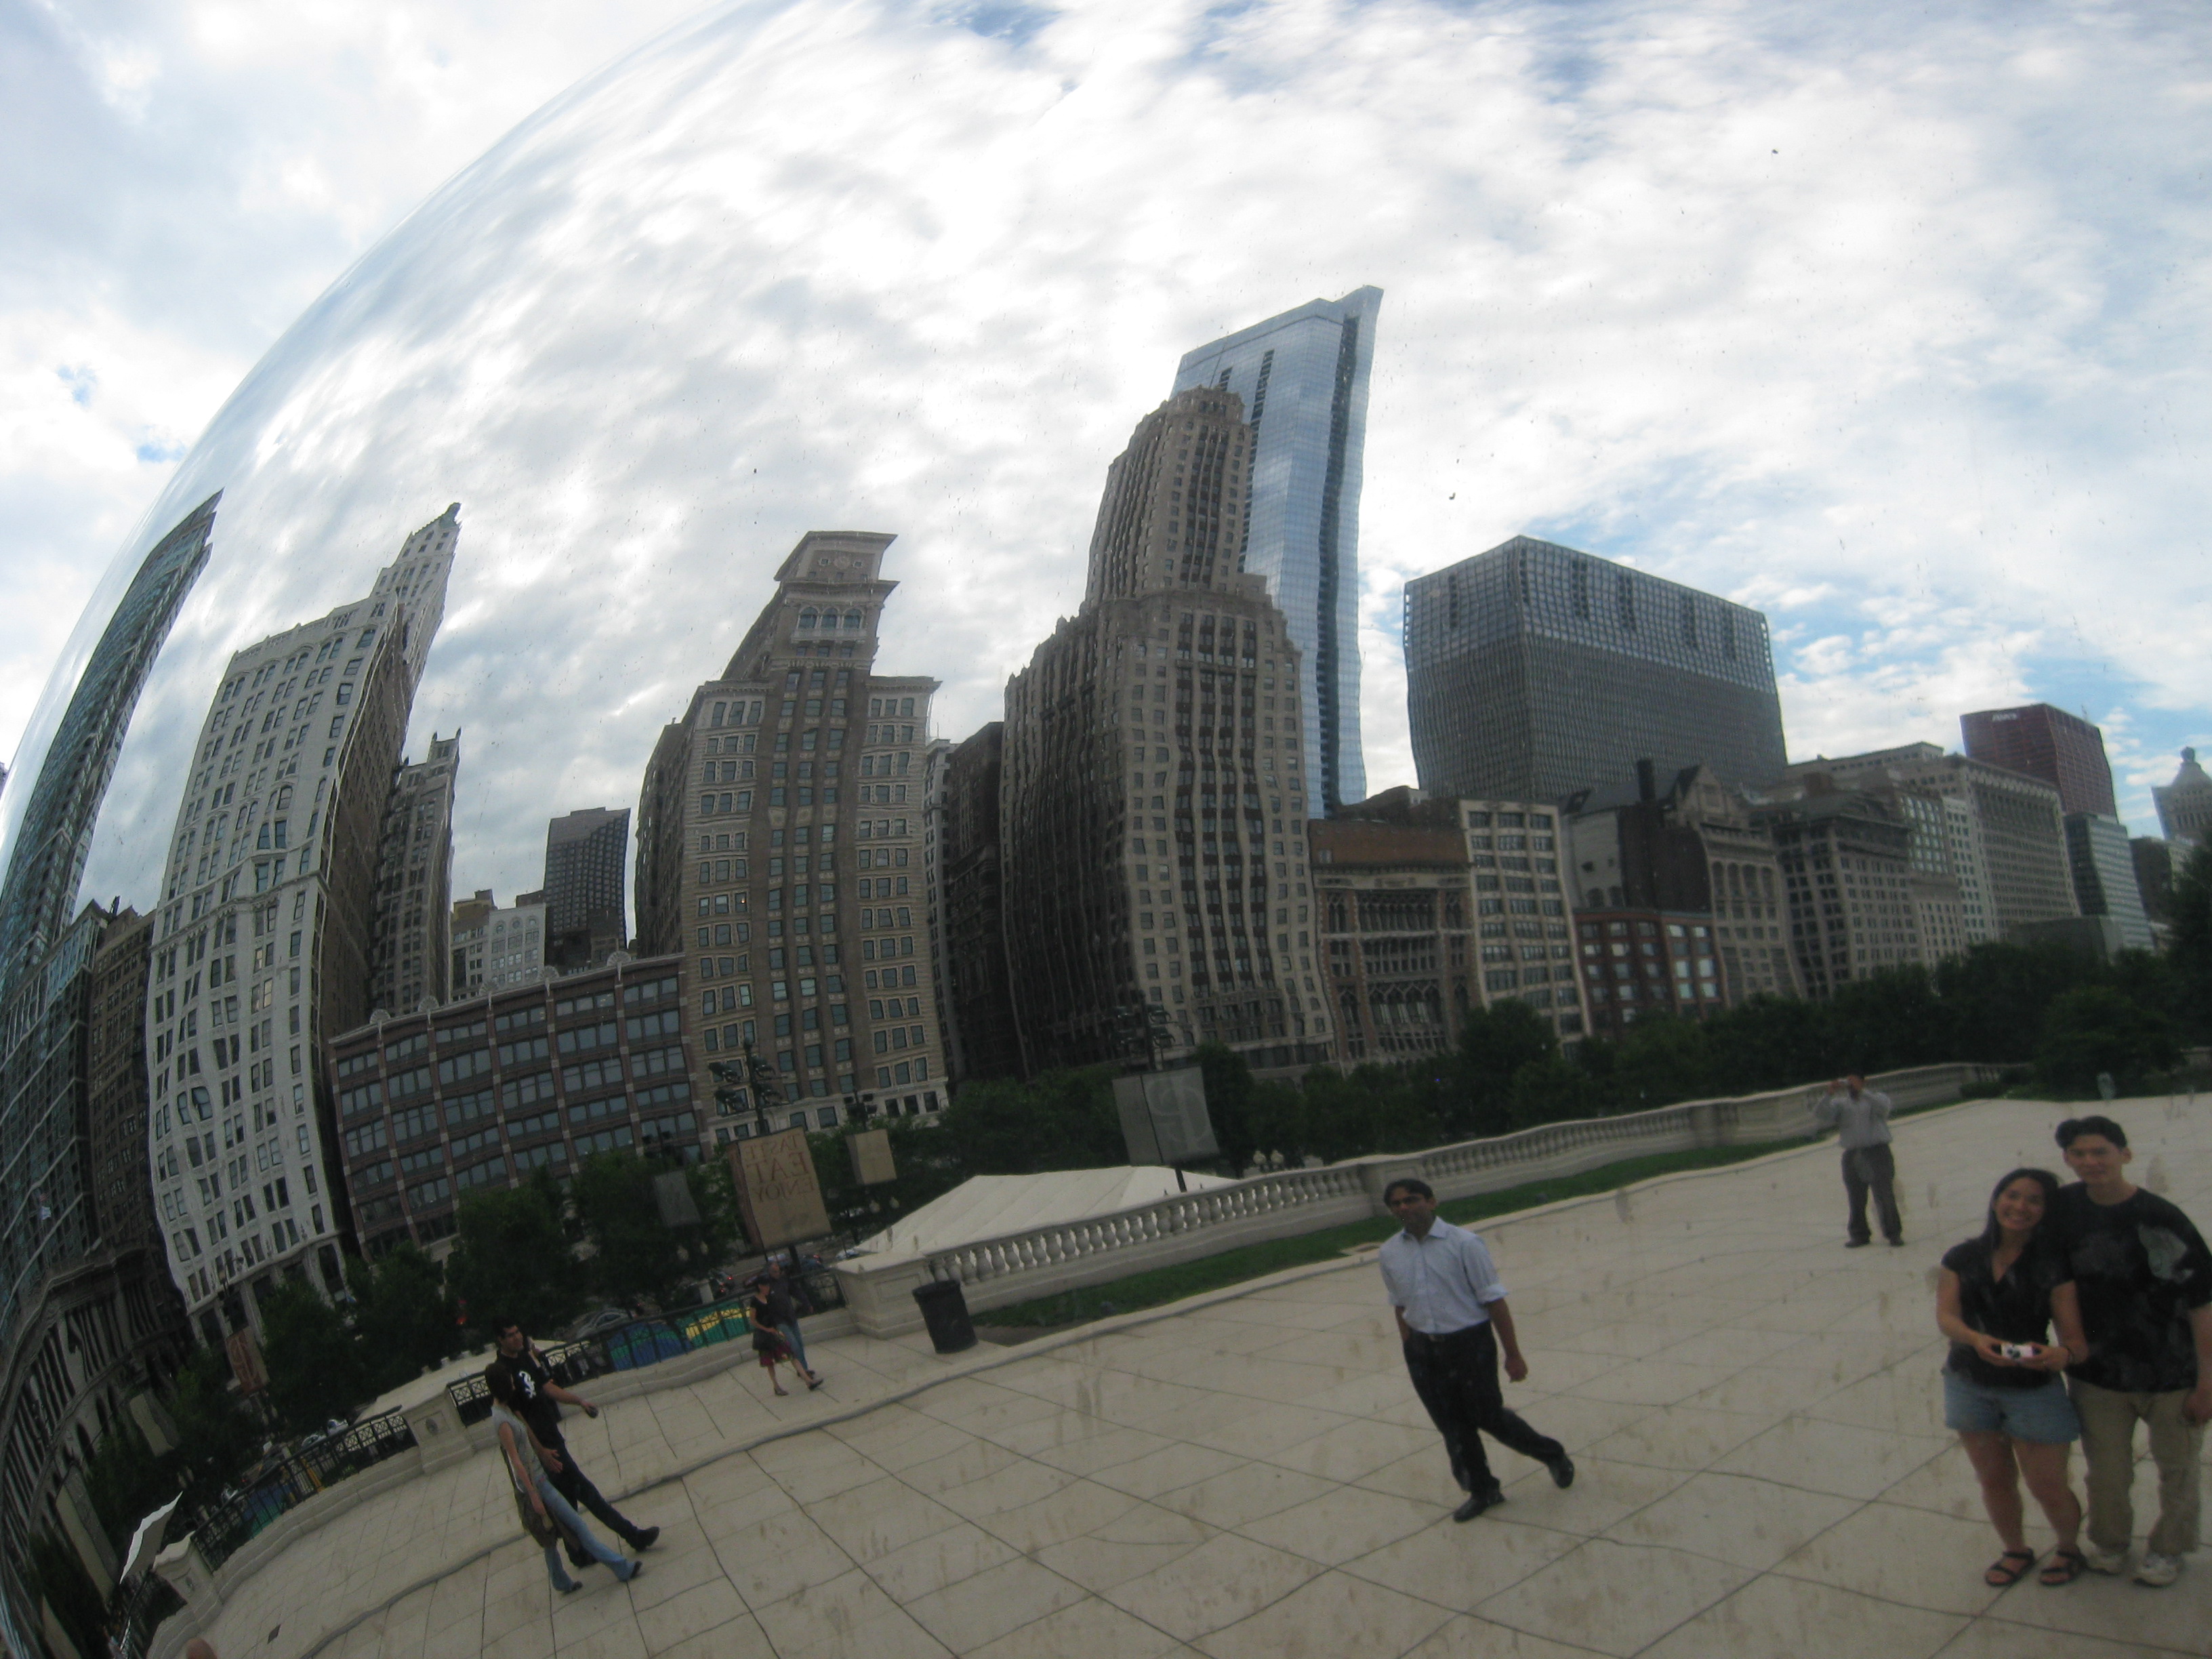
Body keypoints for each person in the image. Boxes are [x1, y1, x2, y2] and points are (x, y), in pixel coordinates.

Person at [2049, 1115, 2212, 1587]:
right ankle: (2110, 1542)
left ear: (2125, 1154)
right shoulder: (2063, 1210)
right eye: (2079, 1153)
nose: (2090, 1161)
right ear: (2067, 1159)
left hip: (2172, 1372)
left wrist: (2207, 1381)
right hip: (2099, 1374)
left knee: (2178, 1470)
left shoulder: (2162, 1217)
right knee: (2105, 1472)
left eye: (2100, 1151)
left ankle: (2169, 1549)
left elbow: (2202, 1302)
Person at [1378, 1178, 1573, 1520]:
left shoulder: (1465, 1244)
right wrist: (1409, 1343)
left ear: (1431, 1202)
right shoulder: (1390, 1252)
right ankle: (1483, 1490)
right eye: (1396, 1204)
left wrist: (1513, 1354)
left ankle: (1551, 1454)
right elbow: (1399, 1303)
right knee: (1451, 1425)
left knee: (1488, 1416)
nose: (1404, 1208)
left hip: (1469, 1345)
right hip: (1423, 1350)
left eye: (1412, 1200)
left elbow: (1494, 1300)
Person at [1936, 1168, 2090, 1586]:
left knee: (2047, 1484)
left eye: (2034, 1200)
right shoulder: (1961, 1257)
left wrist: (2057, 1356)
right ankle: (2015, 1549)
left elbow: (2076, 1342)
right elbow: (1947, 1317)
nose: (2020, 1207)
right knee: (1994, 1479)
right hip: (1968, 1382)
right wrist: (1976, 1340)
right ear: (1996, 1198)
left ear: (2046, 1211)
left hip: (2031, 1388)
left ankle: (2069, 1548)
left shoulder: (2054, 1266)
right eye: (2012, 1195)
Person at [487, 1319, 659, 1561]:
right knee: (587, 1493)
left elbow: (547, 1388)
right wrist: (541, 1451)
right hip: (544, 1447)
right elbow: (519, 1419)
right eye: (510, 1335)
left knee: (568, 1497)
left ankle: (576, 1553)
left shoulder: (524, 1357)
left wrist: (579, 1401)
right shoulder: (504, 1372)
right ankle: (632, 1536)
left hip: (552, 1436)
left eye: (518, 1332)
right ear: (500, 1340)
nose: (517, 1338)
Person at [487, 1365, 642, 1593]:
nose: (514, 1386)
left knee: (549, 1539)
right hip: (538, 1485)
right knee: (577, 1526)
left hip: (539, 1480)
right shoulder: (502, 1421)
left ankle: (560, 1582)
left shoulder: (505, 1410)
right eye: (510, 1382)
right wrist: (534, 1496)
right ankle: (621, 1567)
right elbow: (515, 1462)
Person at [1811, 1073, 1902, 1246]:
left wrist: (1863, 1092)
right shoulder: (1841, 1104)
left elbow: (1884, 1110)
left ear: (1863, 1082)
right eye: (1848, 1082)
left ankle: (1893, 1233)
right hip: (1852, 1154)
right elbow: (1820, 1114)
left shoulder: (1876, 1098)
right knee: (1856, 1197)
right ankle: (1859, 1234)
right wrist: (1829, 1094)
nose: (1851, 1086)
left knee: (1884, 1195)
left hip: (1877, 1151)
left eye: (1854, 1081)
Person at [748, 1278, 819, 1395]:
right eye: (766, 1286)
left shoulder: (769, 1298)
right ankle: (776, 1386)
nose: (768, 1288)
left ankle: (808, 1381)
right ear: (760, 1286)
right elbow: (753, 1320)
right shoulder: (755, 1301)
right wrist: (767, 1329)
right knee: (770, 1363)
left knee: (791, 1354)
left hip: (775, 1331)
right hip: (765, 1335)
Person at [763, 1256, 823, 1384]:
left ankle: (803, 1369)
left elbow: (796, 1291)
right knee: (794, 1346)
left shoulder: (784, 1279)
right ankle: (804, 1371)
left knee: (799, 1344)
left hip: (790, 1316)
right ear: (769, 1272)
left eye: (778, 1270)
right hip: (779, 1321)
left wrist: (807, 1303)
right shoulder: (767, 1285)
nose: (777, 1272)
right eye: (774, 1271)